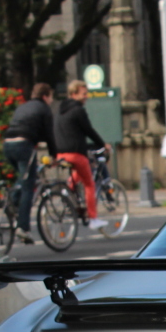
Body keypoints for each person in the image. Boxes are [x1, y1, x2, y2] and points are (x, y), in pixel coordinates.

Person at [1, 82, 58, 243]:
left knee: (23, 177)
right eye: (51, 97)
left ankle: (13, 200)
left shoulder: (23, 106)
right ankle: (23, 228)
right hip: (23, 145)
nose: (51, 101)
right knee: (29, 186)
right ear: (45, 96)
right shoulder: (44, 109)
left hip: (8, 145)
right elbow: (49, 134)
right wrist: (54, 155)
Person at [54, 80, 110, 229]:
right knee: (89, 184)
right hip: (76, 153)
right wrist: (103, 144)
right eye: (84, 94)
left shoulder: (60, 110)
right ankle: (93, 219)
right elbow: (88, 130)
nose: (87, 96)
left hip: (61, 153)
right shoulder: (78, 110)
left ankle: (67, 193)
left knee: (78, 174)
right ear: (74, 94)